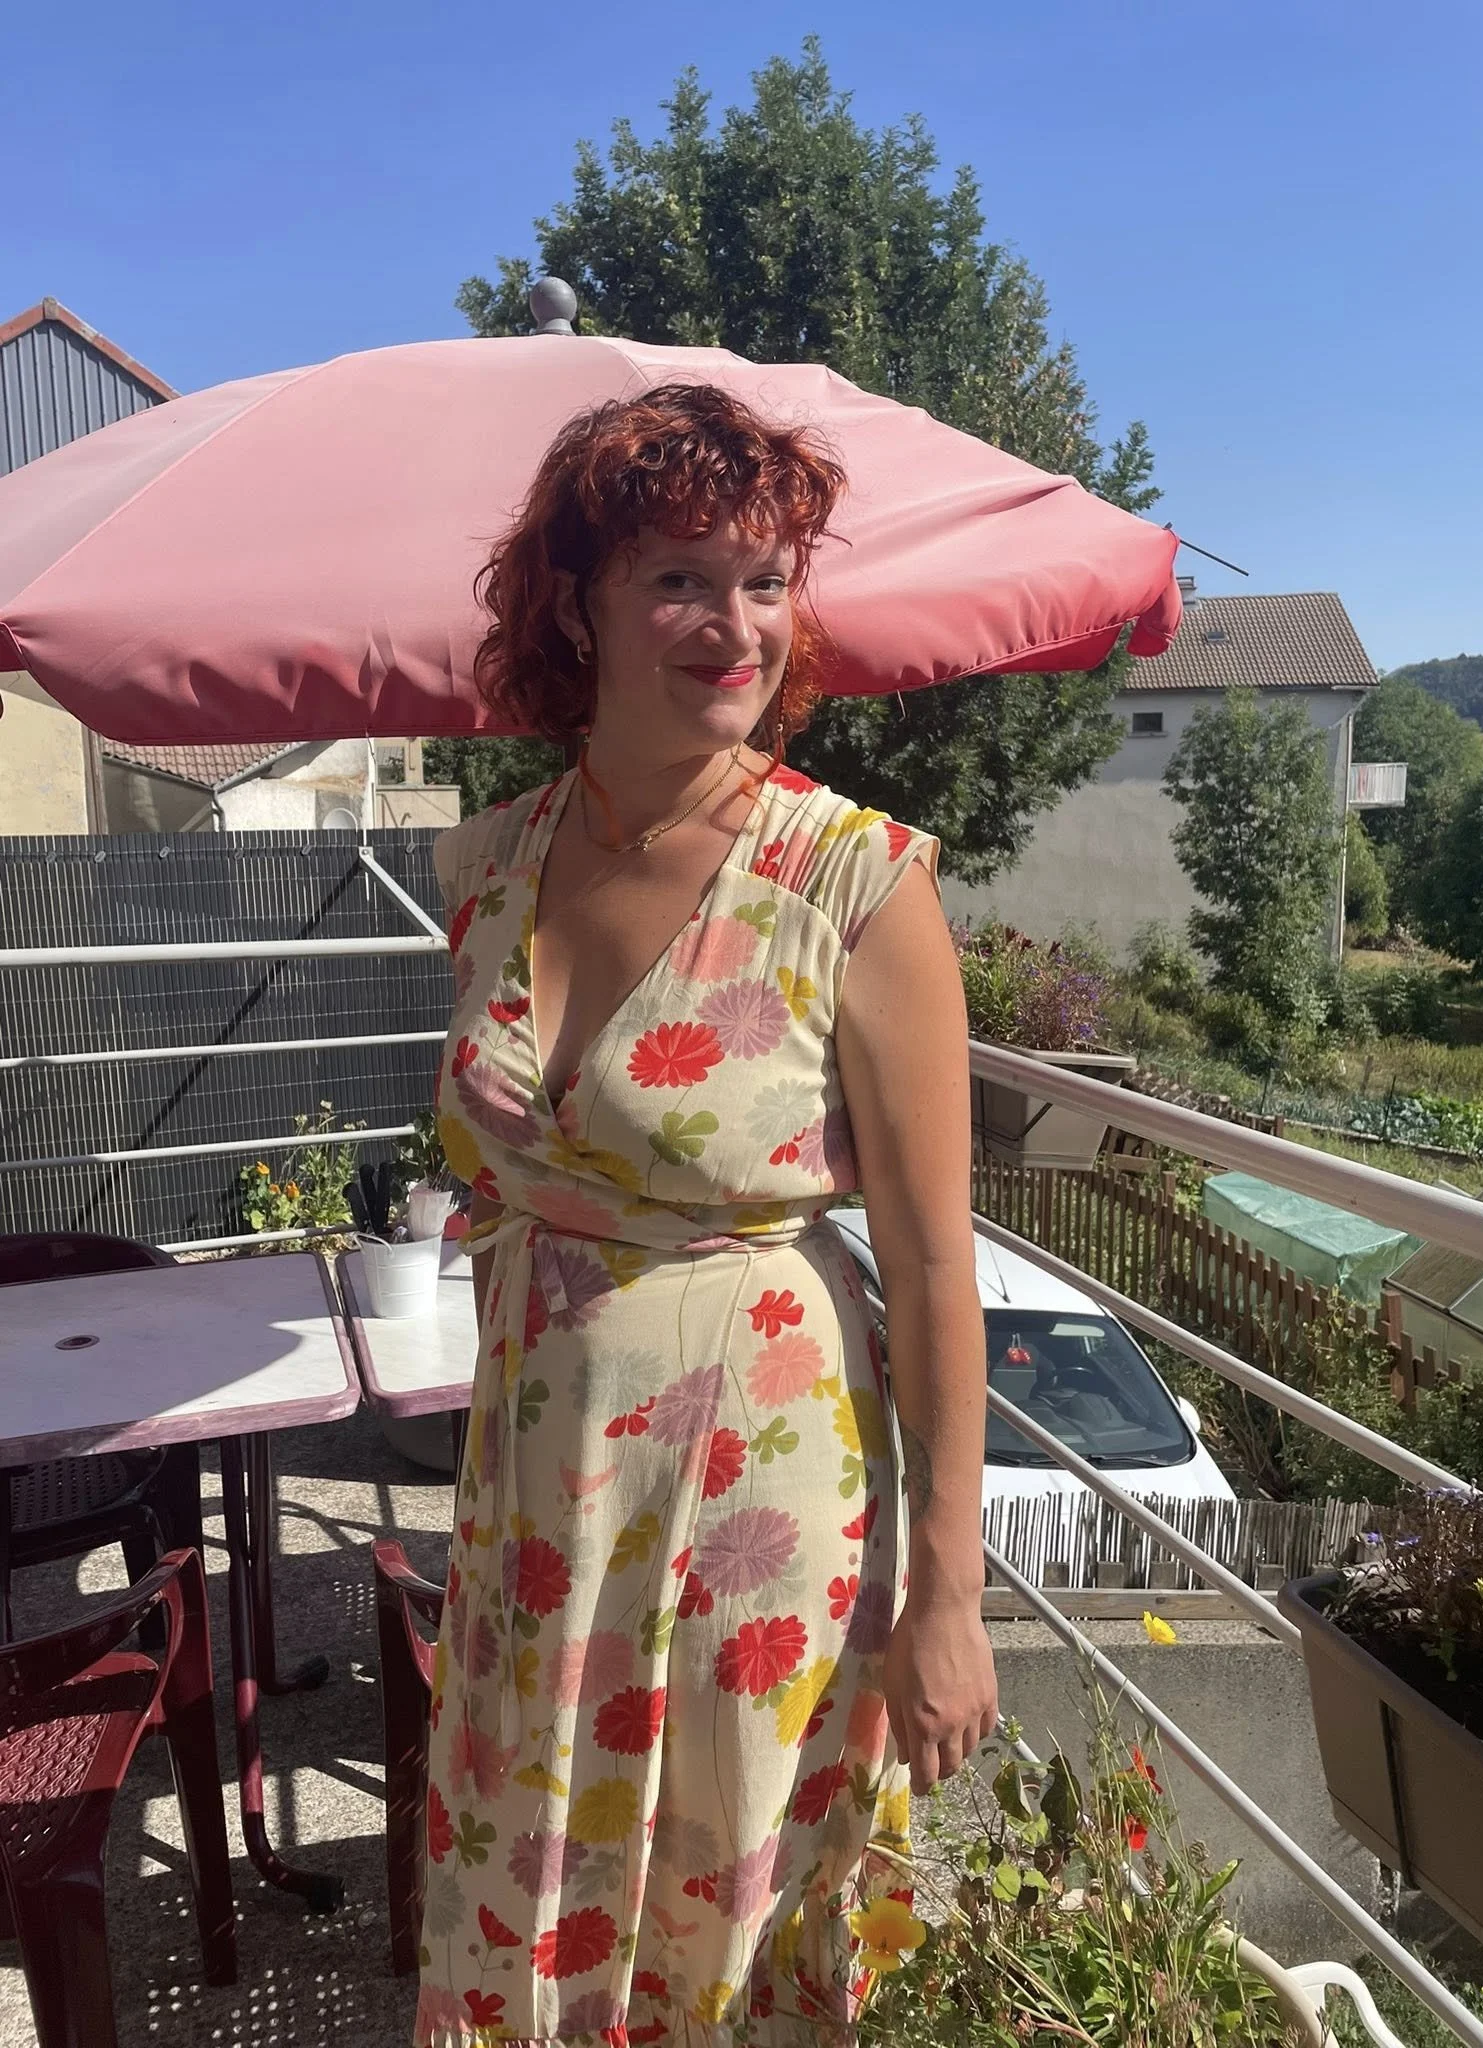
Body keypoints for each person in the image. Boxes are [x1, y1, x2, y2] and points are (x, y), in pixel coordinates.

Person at [415, 383, 995, 2048]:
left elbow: (936, 1263)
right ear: (576, 603)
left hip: (752, 1488)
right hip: (533, 1487)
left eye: (766, 579)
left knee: (721, 1908)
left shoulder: (854, 882)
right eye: (679, 577)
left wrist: (949, 1596)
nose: (734, 626)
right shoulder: (489, 863)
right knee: (523, 1872)